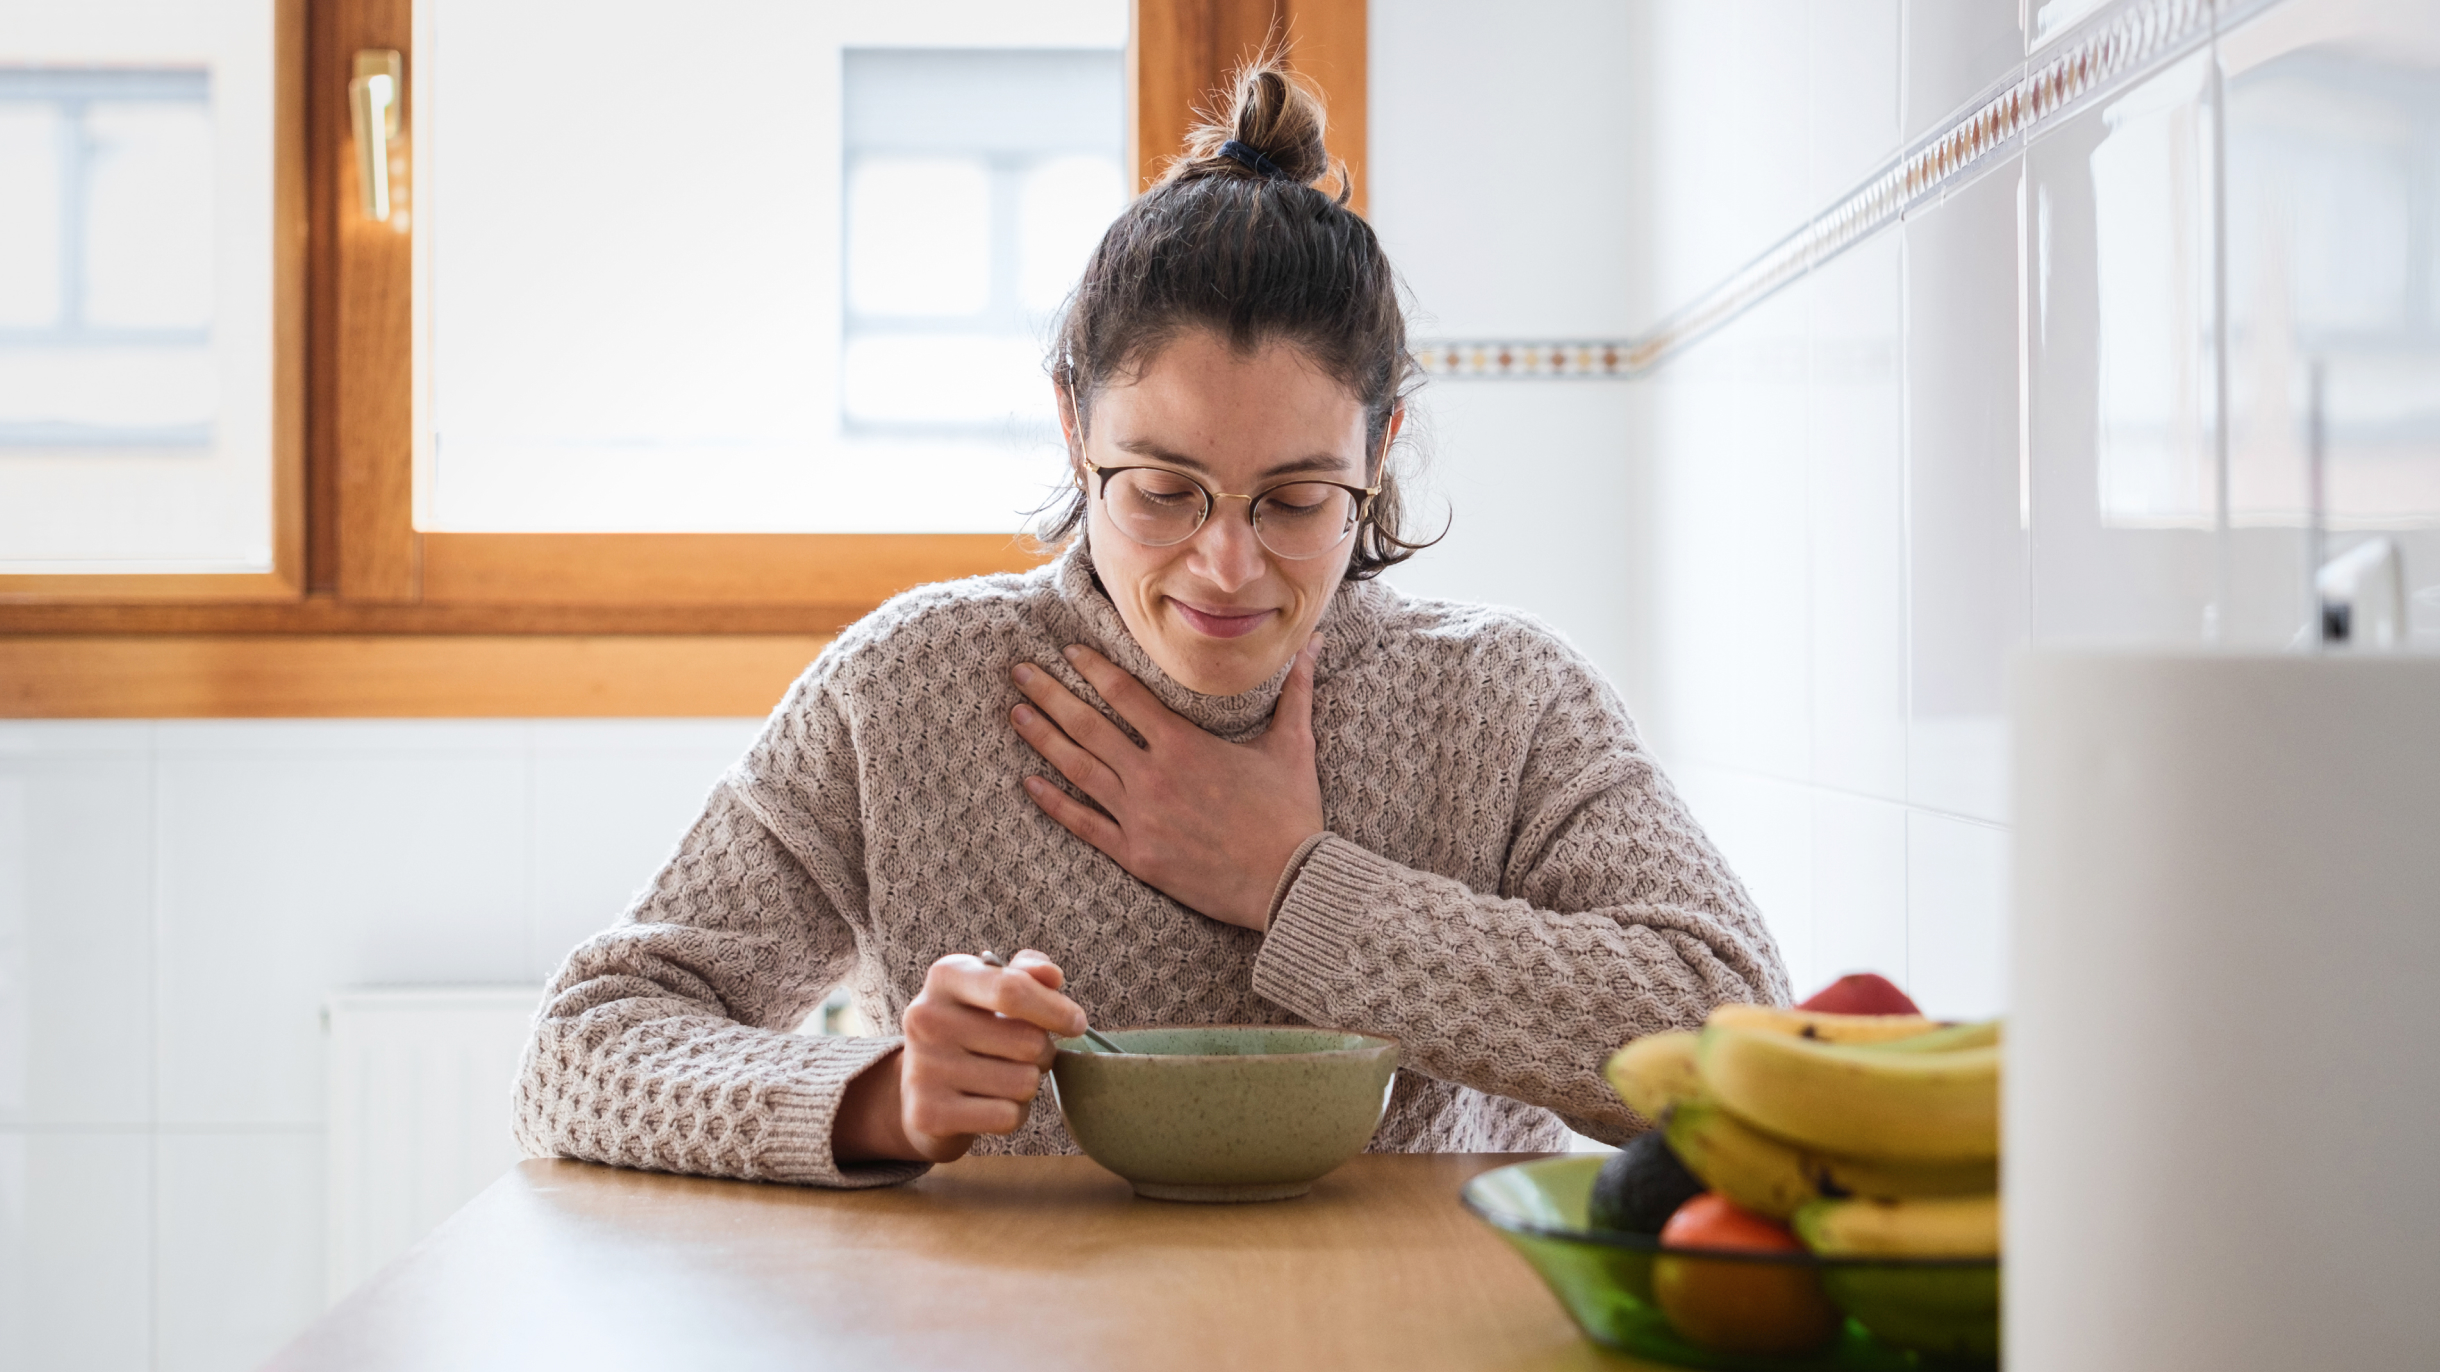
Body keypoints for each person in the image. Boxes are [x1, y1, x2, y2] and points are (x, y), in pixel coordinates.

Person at [512, 58, 1788, 1189]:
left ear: (1381, 448)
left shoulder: (1503, 702)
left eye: (1295, 497)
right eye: (1163, 490)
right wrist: (877, 1099)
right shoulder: (908, 688)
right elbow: (582, 1044)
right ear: (1074, 427)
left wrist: (1297, 888)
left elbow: (1745, 1046)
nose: (1224, 564)